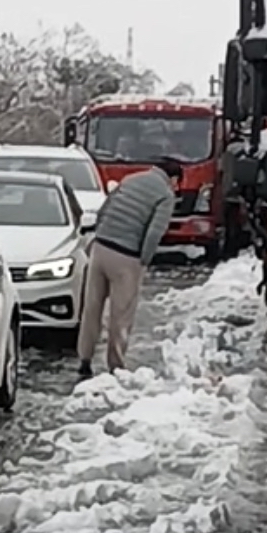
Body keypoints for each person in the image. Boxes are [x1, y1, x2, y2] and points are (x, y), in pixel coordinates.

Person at [76, 158, 180, 377]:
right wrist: (144, 260)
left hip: (101, 247)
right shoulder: (165, 195)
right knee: (121, 314)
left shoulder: (130, 179)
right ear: (173, 178)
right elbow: (154, 232)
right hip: (126, 256)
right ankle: (116, 365)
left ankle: (84, 359)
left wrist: (100, 236)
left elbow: (104, 211)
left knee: (91, 307)